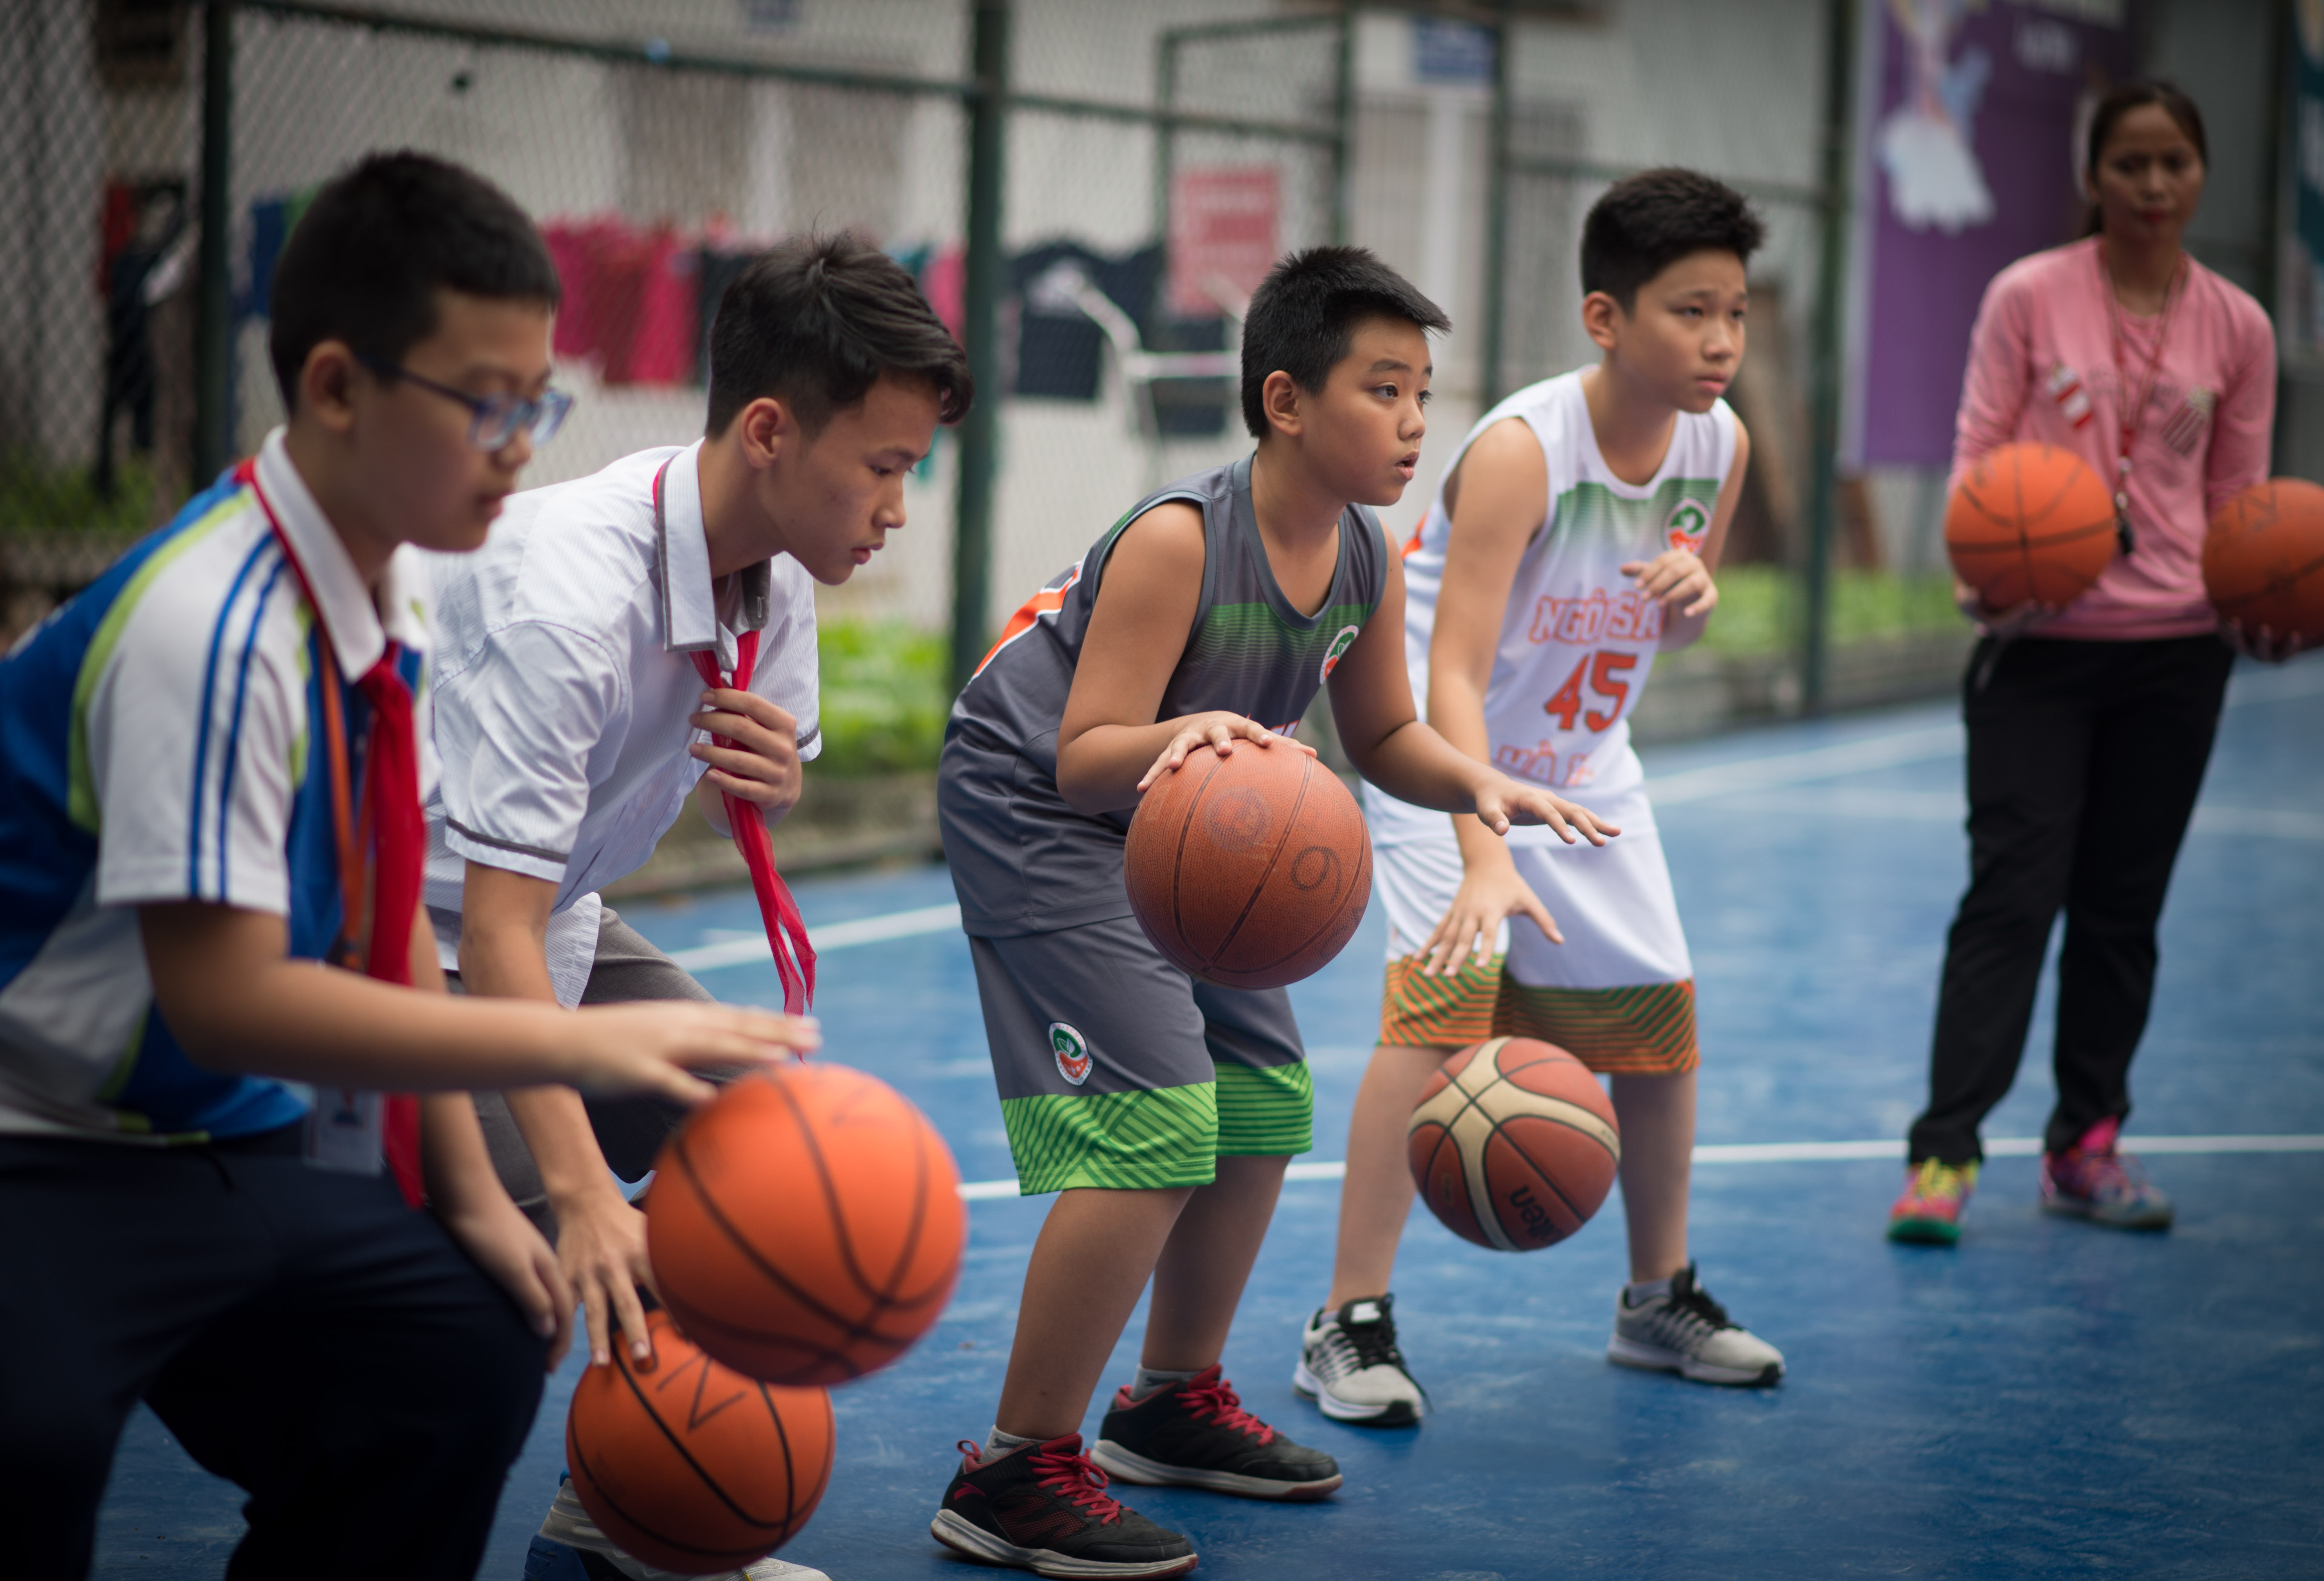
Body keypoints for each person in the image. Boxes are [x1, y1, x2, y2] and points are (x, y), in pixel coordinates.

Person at [0, 150, 812, 1581]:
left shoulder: (384, 594)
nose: (520, 444)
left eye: (536, 403)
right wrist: (566, 1094)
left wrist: (475, 1198)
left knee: (461, 1354)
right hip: (49, 1139)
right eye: (487, 406)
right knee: (37, 1447)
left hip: (222, 1134)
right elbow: (228, 1003)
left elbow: (380, 927)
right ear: (335, 390)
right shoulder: (214, 625)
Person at [926, 246, 1614, 1579]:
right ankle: (1013, 1468)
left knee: (1259, 1100)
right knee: (1155, 1124)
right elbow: (1083, 754)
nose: (1417, 422)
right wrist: (1207, 730)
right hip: (1044, 803)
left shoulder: (1362, 546)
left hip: (1195, 815)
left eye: (1425, 393)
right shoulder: (1182, 537)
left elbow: (1386, 736)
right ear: (1286, 400)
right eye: (1385, 390)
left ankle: (1171, 1404)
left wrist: (1485, 785)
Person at [422, 232, 969, 1581]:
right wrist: (581, 1192)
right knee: (544, 1263)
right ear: (772, 431)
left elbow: (589, 870)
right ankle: (565, 1504)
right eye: (887, 467)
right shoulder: (573, 594)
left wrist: (772, 783)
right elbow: (492, 930)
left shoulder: (771, 573)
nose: (899, 508)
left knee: (764, 1163)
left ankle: (616, 1524)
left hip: (553, 912)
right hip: (401, 939)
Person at [1289, 169, 1786, 1428]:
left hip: (1585, 771)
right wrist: (1478, 842)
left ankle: (1655, 1299)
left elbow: (1651, 637)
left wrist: (1695, 599)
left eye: (1733, 312)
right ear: (1605, 318)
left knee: (1658, 1033)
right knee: (1437, 1015)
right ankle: (1346, 1323)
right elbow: (1445, 671)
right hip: (1438, 758)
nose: (1720, 340)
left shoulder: (1717, 445)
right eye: (1689, 311)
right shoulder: (1522, 451)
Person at [1886, 80, 2278, 1244]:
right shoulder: (2026, 297)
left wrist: (2261, 598)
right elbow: (1975, 459)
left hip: (2173, 656)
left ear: (2199, 172)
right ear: (2091, 177)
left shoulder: (2238, 327)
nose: (2153, 187)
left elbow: (2238, 502)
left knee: (2122, 910)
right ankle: (1944, 1155)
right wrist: (1989, 570)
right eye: (2129, 165)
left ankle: (2086, 1145)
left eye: (2174, 163)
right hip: (2036, 650)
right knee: (2009, 900)